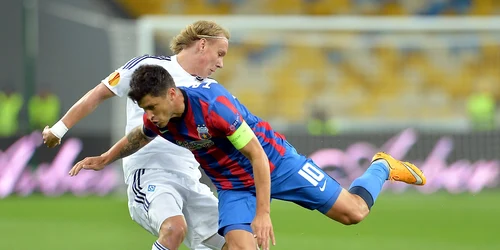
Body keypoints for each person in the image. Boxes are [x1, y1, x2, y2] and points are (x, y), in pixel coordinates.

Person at [69, 65, 427, 250]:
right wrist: (104, 158)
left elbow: (256, 154)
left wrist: (264, 213)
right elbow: (138, 136)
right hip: (231, 185)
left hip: (277, 164)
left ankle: (381, 166)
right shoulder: (157, 118)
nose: (150, 114)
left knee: (354, 214)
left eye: (151, 106)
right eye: (145, 109)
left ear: (172, 94)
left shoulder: (214, 109)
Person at [42, 21, 230, 250]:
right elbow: (98, 94)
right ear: (202, 44)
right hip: (150, 172)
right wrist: (58, 129)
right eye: (219, 54)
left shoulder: (210, 89)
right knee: (174, 230)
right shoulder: (148, 67)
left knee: (238, 243)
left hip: (191, 178)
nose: (220, 63)